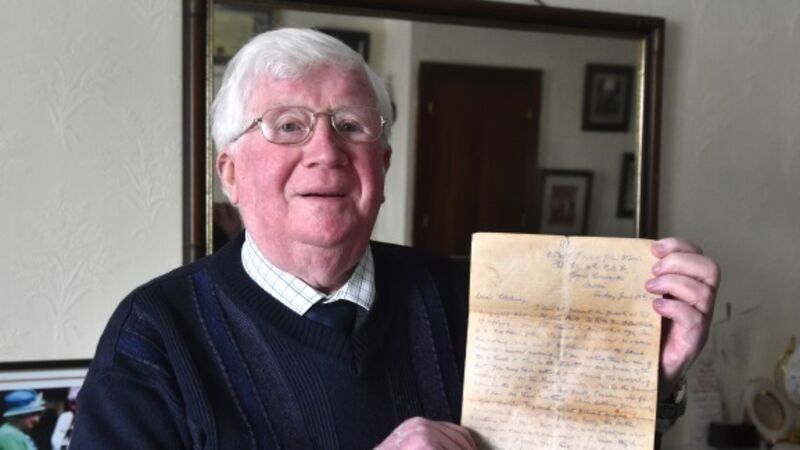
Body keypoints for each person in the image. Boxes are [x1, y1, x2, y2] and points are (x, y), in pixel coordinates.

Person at [70, 28, 720, 449]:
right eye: (289, 126)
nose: (326, 151)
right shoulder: (153, 338)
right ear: (230, 173)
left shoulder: (471, 297)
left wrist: (648, 377)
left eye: (351, 126)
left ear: (381, 165)